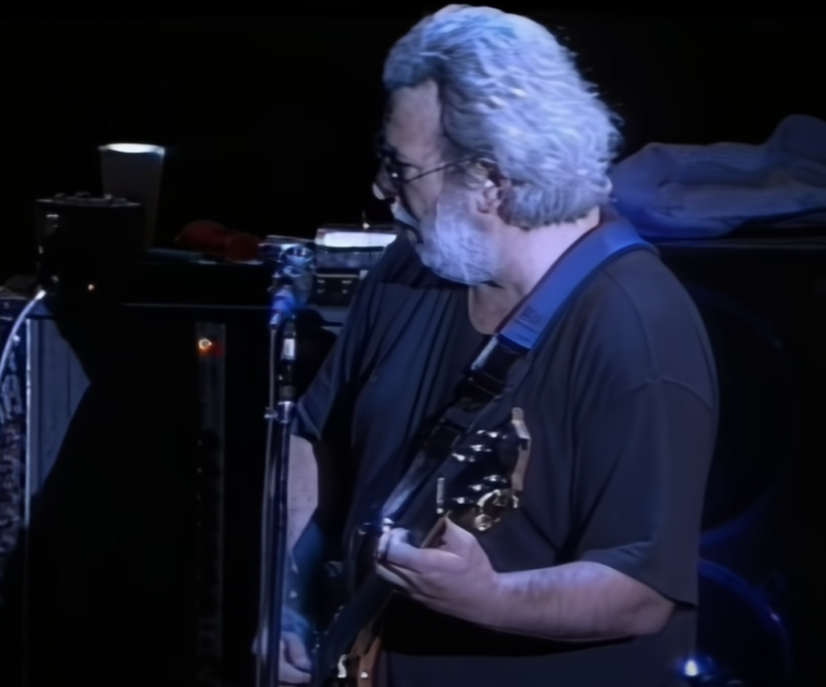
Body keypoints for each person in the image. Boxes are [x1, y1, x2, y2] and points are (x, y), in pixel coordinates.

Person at [272, 5, 717, 687]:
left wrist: (490, 598)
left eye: (402, 167)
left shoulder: (640, 330)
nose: (382, 189)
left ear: (491, 183)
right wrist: (287, 601)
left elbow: (641, 590)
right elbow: (315, 435)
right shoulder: (410, 265)